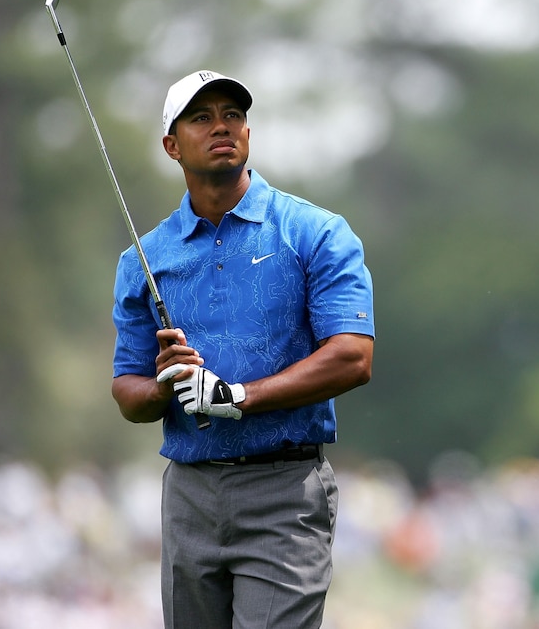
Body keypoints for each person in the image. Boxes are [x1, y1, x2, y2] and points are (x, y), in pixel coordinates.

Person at [110, 70, 375, 629]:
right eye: (201, 118)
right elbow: (127, 392)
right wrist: (163, 385)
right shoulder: (144, 259)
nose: (221, 127)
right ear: (171, 146)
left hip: (284, 490)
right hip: (189, 494)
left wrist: (236, 397)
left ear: (249, 133)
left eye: (232, 115)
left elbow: (353, 356)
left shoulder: (315, 232)